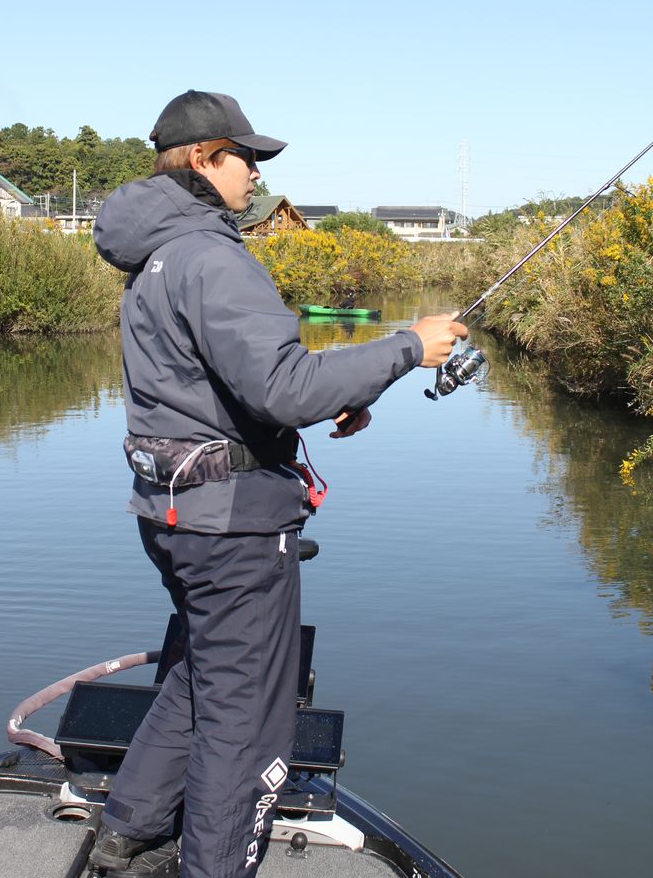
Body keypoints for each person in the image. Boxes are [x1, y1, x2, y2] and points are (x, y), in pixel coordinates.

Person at [90, 90, 467, 878]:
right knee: (248, 716)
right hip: (233, 529)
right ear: (203, 158)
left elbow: (222, 391)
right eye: (246, 158)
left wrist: (349, 387)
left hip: (171, 512)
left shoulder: (158, 254)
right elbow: (285, 388)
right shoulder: (211, 256)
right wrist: (407, 348)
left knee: (200, 674)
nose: (255, 176)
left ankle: (127, 828)